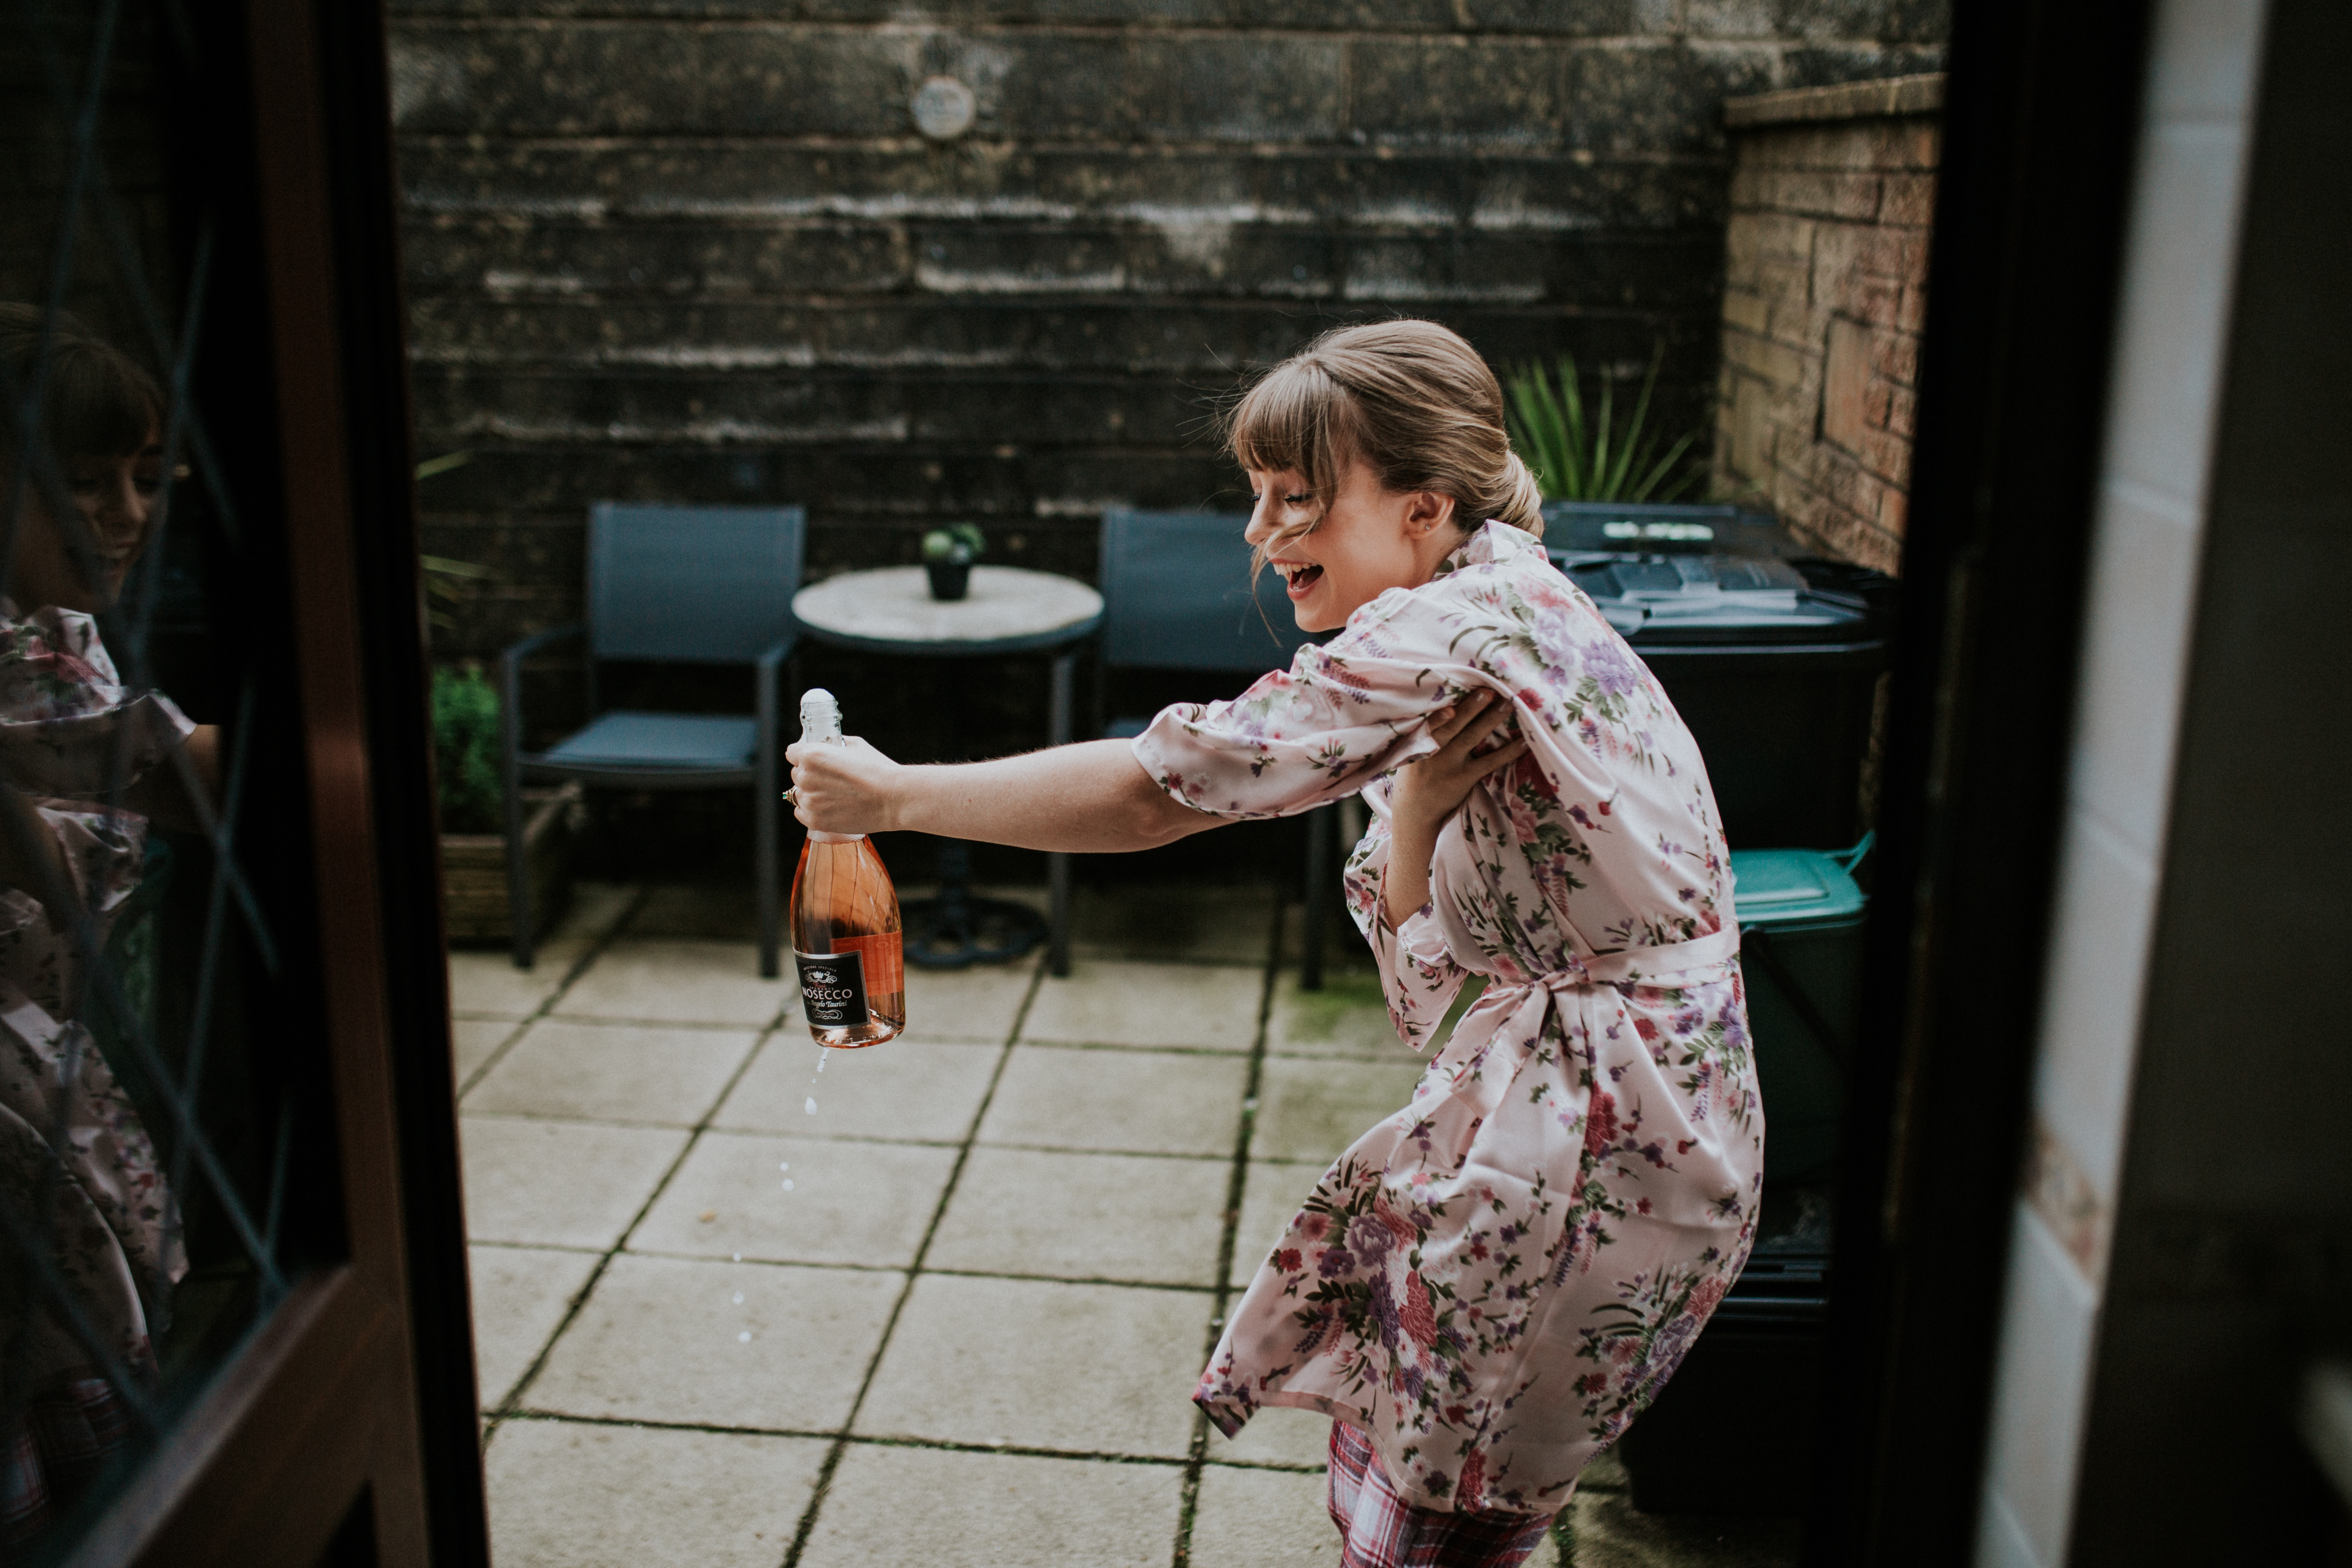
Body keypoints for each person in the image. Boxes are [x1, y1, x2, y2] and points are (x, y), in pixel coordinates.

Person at [786, 319, 1761, 1566]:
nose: (1263, 536)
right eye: (1258, 501)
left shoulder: (1450, 632)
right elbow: (1432, 992)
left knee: (1447, 1517)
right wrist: (1412, 816)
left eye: (1298, 500)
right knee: (1459, 1506)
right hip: (1625, 1131)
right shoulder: (1505, 597)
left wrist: (895, 797)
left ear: (1426, 505)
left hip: (1601, 1146)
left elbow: (1162, 790)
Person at [0, 304, 216, 1544]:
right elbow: (143, 763)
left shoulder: (66, 642)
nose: (131, 514)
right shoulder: (23, 679)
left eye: (148, 478)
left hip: (56, 1098)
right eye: (84, 483)